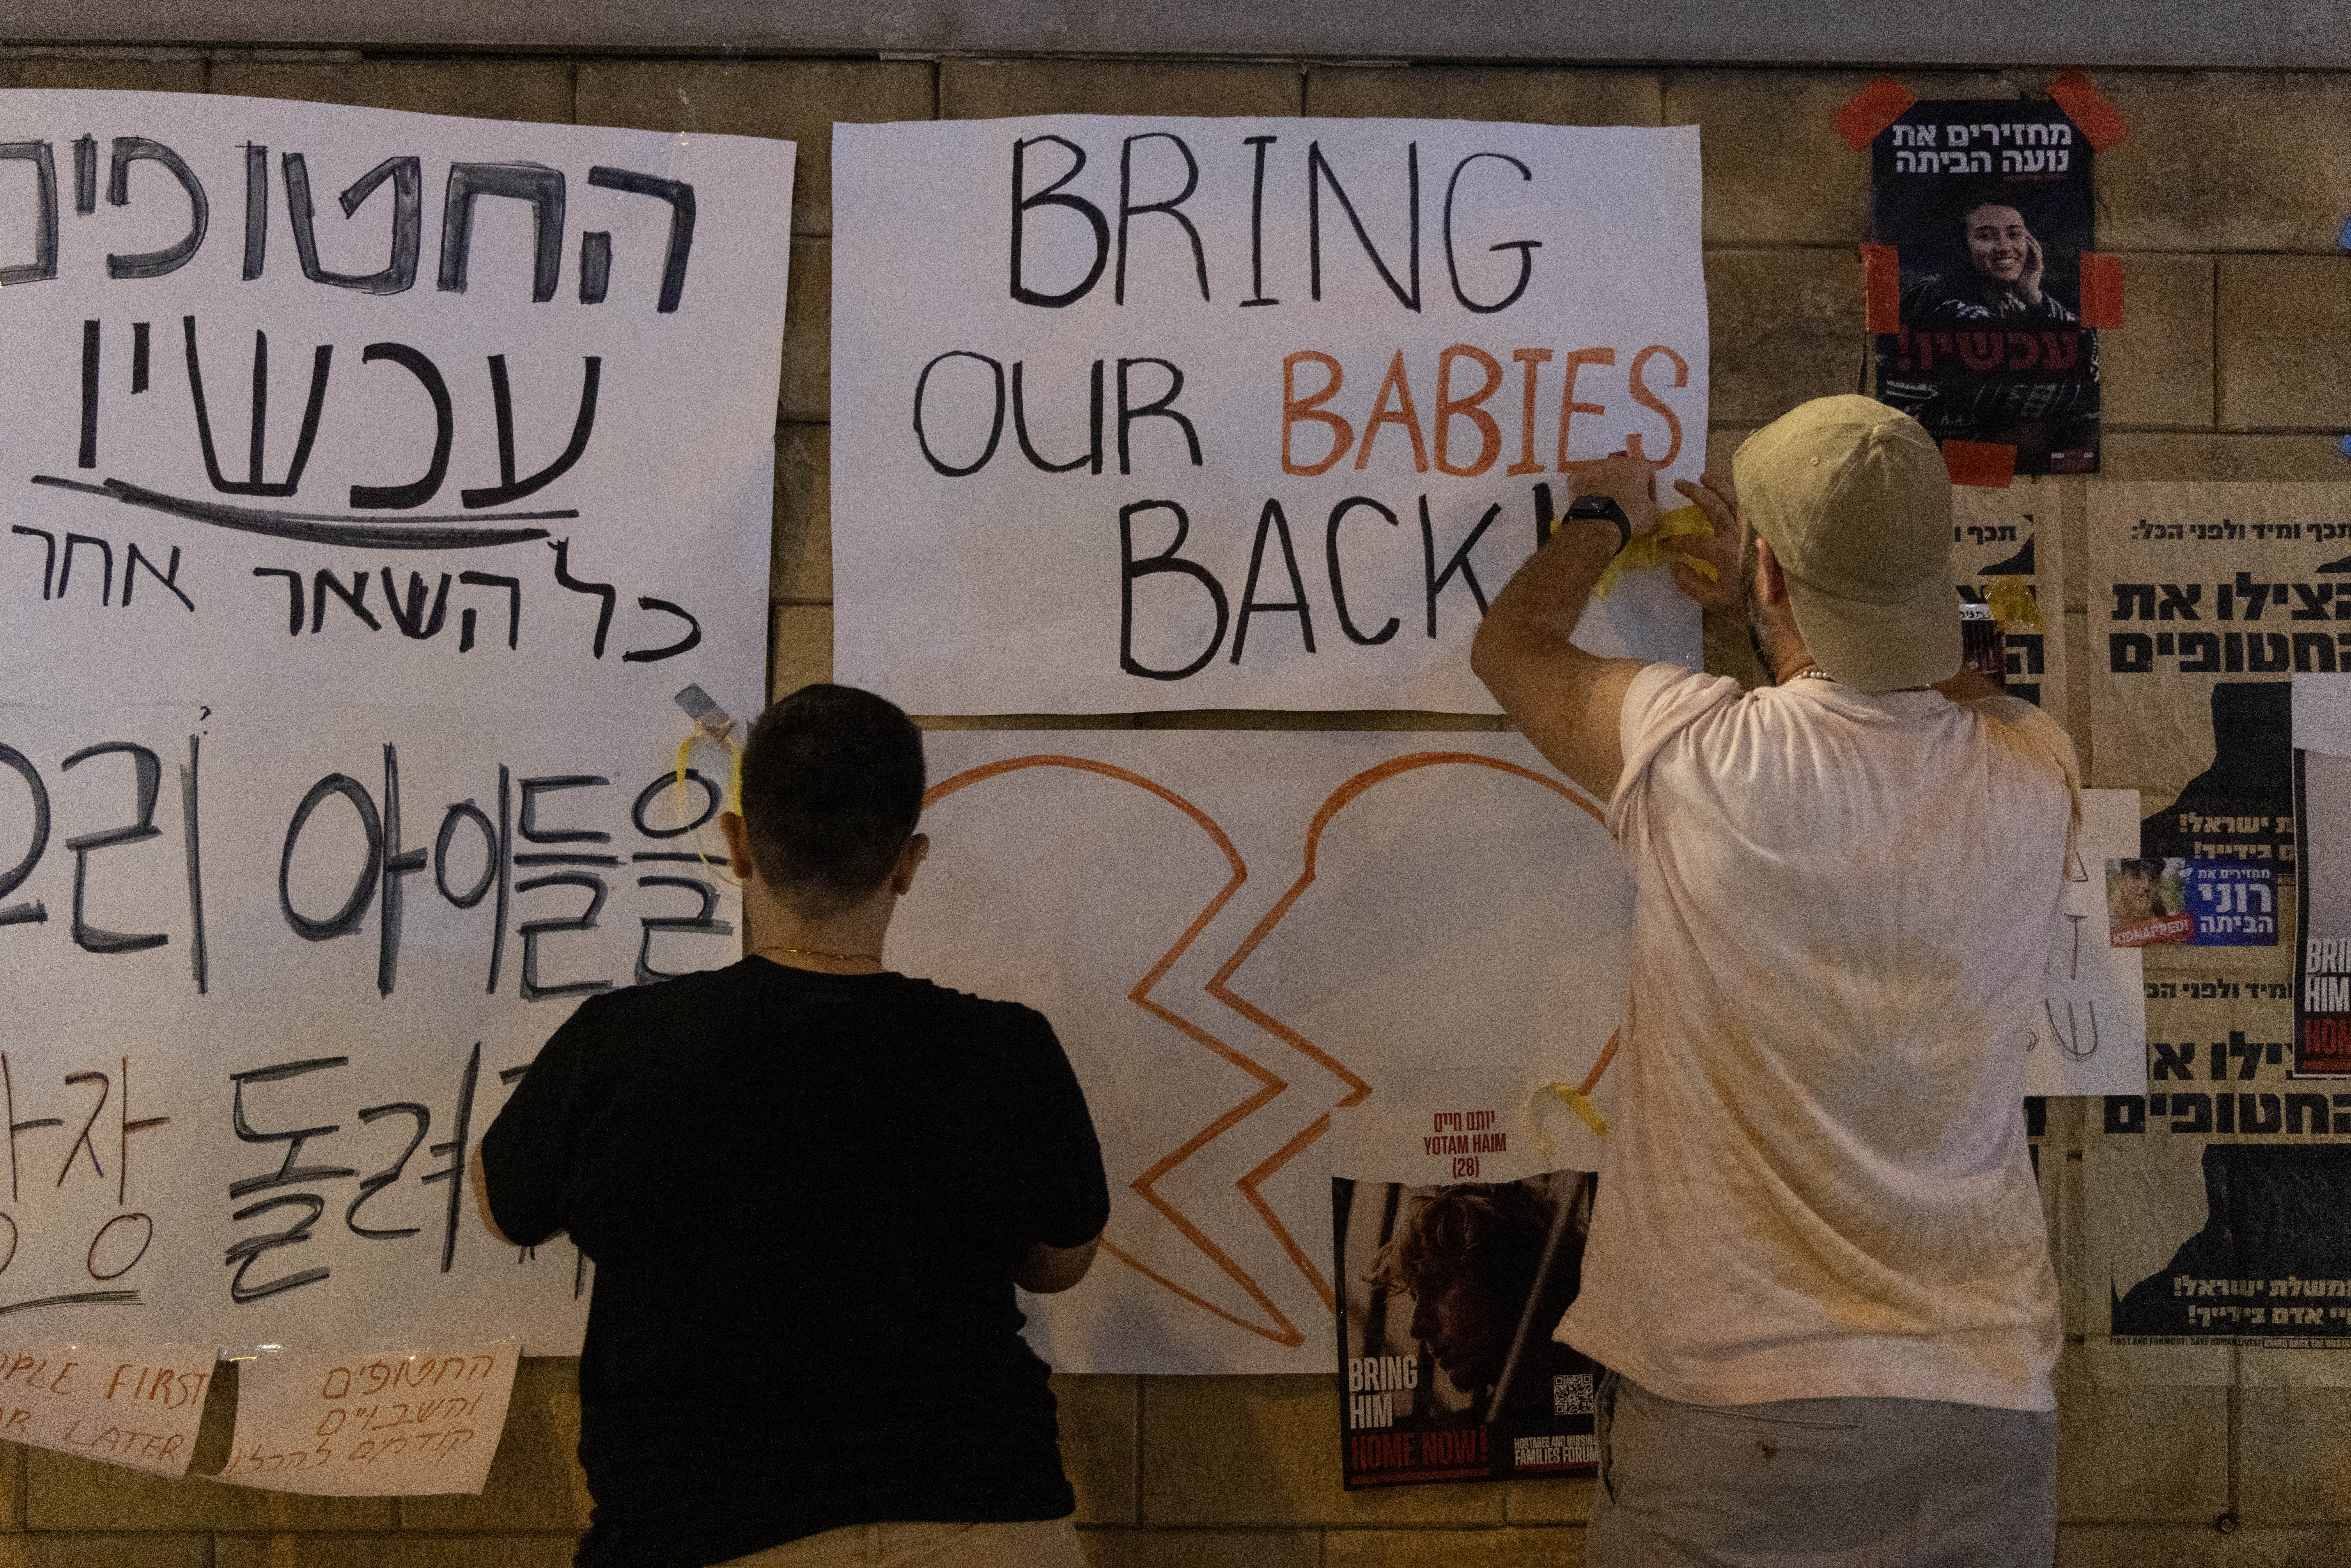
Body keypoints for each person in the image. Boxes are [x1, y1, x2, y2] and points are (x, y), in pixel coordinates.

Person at [1470, 396, 2078, 1567]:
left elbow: (1513, 649)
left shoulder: (1703, 753)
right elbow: (1918, 705)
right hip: (1986, 1406)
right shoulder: (2029, 765)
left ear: (1765, 564)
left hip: (1742, 1415)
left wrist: (1601, 514)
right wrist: (1793, 606)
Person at [475, 683, 1110, 1568]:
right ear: (907, 862)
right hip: (990, 1521)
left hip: (704, 1527)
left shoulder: (617, 1047)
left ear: (737, 844)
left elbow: (506, 1208)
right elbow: (1060, 1262)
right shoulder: (1009, 1049)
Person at [1362, 1175, 1596, 1421]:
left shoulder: (1602, 1406)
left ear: (1510, 1272)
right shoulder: (1475, 1433)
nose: (1418, 1326)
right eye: (1415, 1298)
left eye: (1440, 1286)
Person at [2111, 857, 2170, 924]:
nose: (2147, 886)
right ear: (2122, 882)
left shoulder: (2166, 923)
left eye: (2154, 877)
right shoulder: (2112, 923)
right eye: (2137, 876)